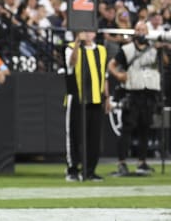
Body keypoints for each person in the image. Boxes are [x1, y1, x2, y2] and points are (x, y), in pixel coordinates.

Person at [108, 21, 163, 176]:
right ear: (134, 32)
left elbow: (164, 63)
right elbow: (111, 65)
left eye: (143, 29)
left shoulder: (154, 49)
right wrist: (119, 75)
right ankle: (122, 162)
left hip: (149, 92)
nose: (141, 32)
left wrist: (162, 47)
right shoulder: (127, 49)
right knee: (127, 129)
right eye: (138, 29)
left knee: (145, 129)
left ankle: (142, 162)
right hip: (133, 92)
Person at [64, 31, 111, 182]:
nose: (87, 34)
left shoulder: (102, 50)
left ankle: (90, 170)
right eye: (84, 31)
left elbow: (104, 75)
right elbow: (71, 64)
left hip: (96, 99)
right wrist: (78, 43)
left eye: (90, 31)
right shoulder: (71, 47)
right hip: (77, 98)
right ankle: (72, 169)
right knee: (75, 135)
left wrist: (107, 97)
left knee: (94, 137)